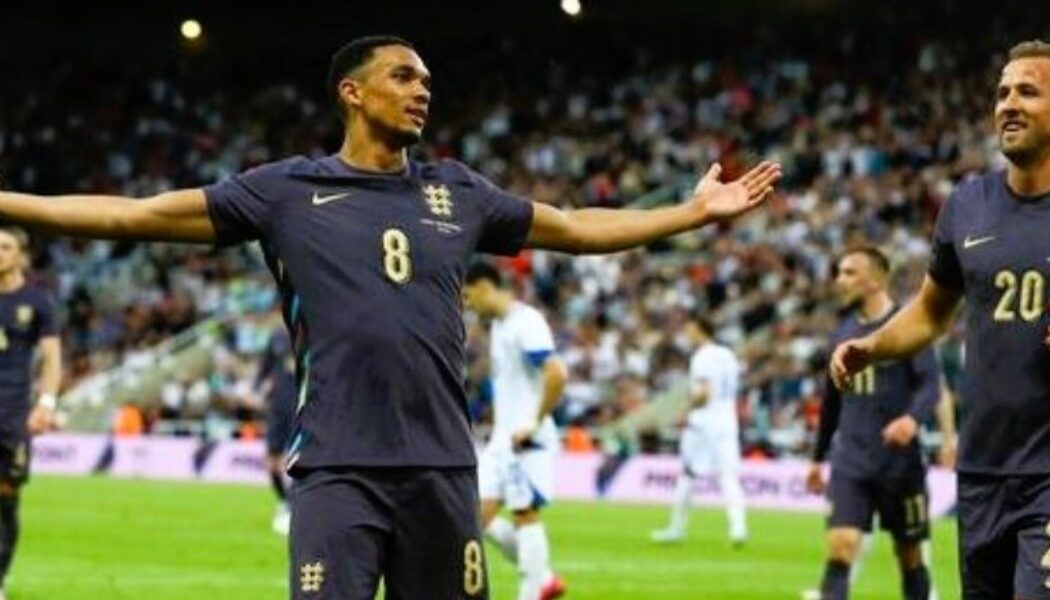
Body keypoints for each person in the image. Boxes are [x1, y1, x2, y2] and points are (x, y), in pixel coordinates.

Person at [0, 35, 781, 599]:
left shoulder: (458, 192)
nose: (421, 90)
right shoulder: (286, 192)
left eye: (426, 80)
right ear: (353, 91)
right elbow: (131, 217)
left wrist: (689, 213)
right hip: (338, 464)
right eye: (403, 76)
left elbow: (576, 228)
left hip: (442, 466)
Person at [830, 40, 1050, 599]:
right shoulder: (967, 205)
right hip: (983, 469)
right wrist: (872, 346)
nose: (1008, 104)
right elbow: (931, 312)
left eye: (1028, 90)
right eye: (1002, 93)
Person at [806, 247, 940, 600]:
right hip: (851, 460)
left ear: (877, 278)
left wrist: (912, 419)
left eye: (849, 273)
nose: (840, 280)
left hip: (899, 463)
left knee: (910, 556)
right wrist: (817, 459)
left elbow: (930, 384)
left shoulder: (909, 327)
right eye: (840, 272)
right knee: (841, 546)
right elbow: (830, 403)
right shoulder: (842, 333)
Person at [462, 261, 568, 600]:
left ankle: (532, 591)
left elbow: (557, 374)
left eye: (467, 296)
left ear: (483, 286)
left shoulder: (527, 322)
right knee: (473, 517)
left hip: (527, 438)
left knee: (525, 513)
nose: (467, 304)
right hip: (503, 440)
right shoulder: (500, 326)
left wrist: (533, 422)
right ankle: (545, 578)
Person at [650, 313, 748, 547]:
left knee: (688, 474)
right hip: (727, 420)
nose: (687, 333)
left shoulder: (702, 357)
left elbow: (704, 394)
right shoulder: (727, 355)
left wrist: (683, 409)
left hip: (703, 423)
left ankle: (676, 528)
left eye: (689, 329)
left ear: (699, 329)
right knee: (728, 476)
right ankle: (738, 529)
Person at [0, 227, 61, 600]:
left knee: (6, 495)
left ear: (21, 256)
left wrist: (46, 403)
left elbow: (52, 357)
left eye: (6, 248)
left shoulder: (37, 301)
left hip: (12, 412)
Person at [254, 315, 297, 535]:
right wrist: (256, 388)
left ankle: (292, 507)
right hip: (277, 405)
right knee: (272, 460)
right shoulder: (277, 336)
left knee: (294, 459)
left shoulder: (308, 330)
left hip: (300, 404)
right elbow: (265, 365)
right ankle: (283, 500)